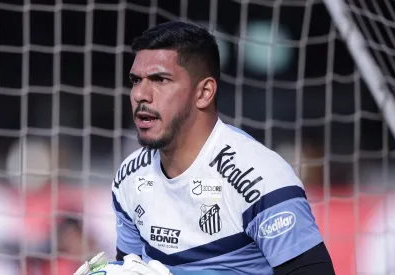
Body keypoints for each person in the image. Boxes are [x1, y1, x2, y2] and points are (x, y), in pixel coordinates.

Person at [106, 21, 335, 275]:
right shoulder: (129, 176)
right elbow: (130, 268)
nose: (141, 94)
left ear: (204, 92)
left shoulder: (261, 179)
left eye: (160, 79)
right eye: (136, 80)